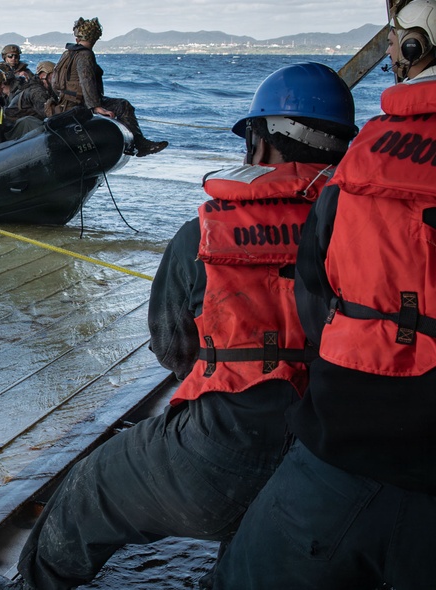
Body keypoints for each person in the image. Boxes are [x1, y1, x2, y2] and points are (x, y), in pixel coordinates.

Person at [0, 62, 359, 590]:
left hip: (224, 447)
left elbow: (171, 348)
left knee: (92, 484)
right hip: (335, 452)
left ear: (261, 144)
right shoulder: (372, 231)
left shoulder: (203, 234)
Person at [213, 2, 436, 588]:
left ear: (417, 44)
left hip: (342, 439)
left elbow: (316, 293)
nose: (391, 52)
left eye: (396, 39)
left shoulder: (365, 159)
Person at [50, 17, 167, 157]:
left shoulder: (67, 54)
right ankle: (139, 144)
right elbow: (86, 80)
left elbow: (55, 83)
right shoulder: (85, 55)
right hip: (79, 104)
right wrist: (95, 106)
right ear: (95, 38)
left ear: (77, 38)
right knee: (123, 106)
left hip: (65, 103)